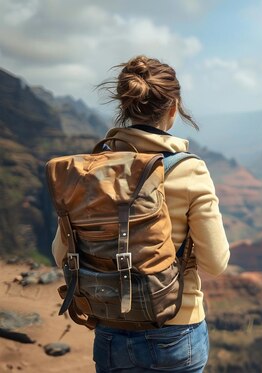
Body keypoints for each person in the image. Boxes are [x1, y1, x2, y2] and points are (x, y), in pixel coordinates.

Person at [51, 55, 230, 372]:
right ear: (173, 109)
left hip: (110, 329)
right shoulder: (190, 171)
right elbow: (215, 264)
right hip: (176, 331)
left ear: (124, 107)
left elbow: (59, 253)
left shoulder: (93, 170)